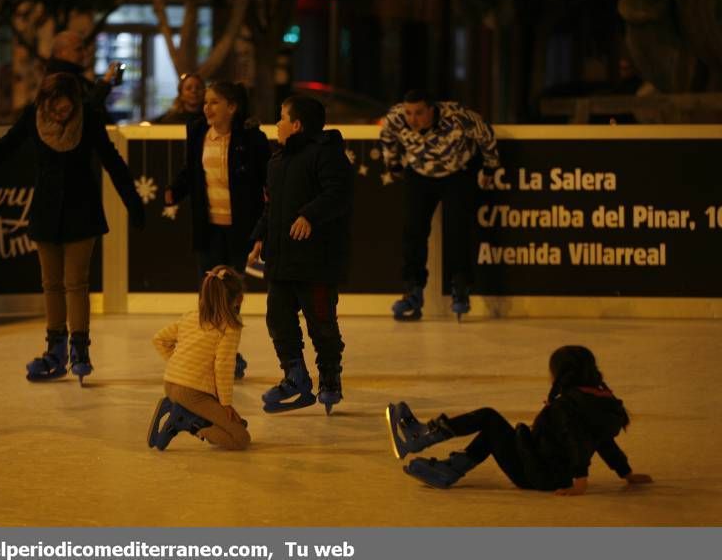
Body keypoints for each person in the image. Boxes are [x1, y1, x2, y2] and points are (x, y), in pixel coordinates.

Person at [0, 73, 145, 385]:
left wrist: (134, 203)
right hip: (46, 212)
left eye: (66, 108)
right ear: (44, 102)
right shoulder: (33, 118)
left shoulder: (90, 119)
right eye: (54, 107)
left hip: (81, 212)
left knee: (76, 282)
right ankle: (55, 349)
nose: (61, 113)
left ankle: (80, 349)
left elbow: (112, 161)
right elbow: (8, 146)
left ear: (75, 101)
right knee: (51, 283)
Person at [386, 346, 654, 493]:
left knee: (489, 418)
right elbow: (602, 439)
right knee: (494, 430)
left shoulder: (567, 406)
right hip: (547, 467)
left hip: (538, 474)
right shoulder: (597, 399)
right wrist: (626, 473)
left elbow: (578, 441)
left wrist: (579, 482)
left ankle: (421, 438)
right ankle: (449, 468)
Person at [247, 96, 354, 415]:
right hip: (282, 259)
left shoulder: (326, 154)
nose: (276, 123)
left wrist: (309, 215)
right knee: (278, 318)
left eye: (281, 117)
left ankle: (330, 377)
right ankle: (294, 375)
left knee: (322, 323)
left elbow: (339, 193)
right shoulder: (277, 161)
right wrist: (259, 237)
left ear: (296, 125)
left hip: (316, 262)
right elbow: (272, 207)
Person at [165, 81, 271, 379]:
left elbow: (268, 180)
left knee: (230, 295)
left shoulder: (252, 138)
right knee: (208, 292)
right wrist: (176, 189)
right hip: (208, 229)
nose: (207, 108)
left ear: (232, 107)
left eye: (214, 102)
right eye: (206, 102)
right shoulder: (198, 132)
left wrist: (264, 227)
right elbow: (191, 171)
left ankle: (228, 351)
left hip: (239, 231)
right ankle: (212, 351)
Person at [380, 89, 499, 321]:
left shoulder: (456, 116)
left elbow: (486, 134)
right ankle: (413, 290)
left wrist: (490, 167)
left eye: (419, 113)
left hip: (457, 173)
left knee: (457, 230)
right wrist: (393, 164)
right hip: (419, 174)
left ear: (431, 110)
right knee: (413, 232)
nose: (413, 119)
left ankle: (461, 286)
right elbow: (387, 138)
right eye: (409, 113)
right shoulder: (396, 117)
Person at [147, 266, 250, 451]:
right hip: (193, 394)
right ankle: (189, 422)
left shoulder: (191, 316)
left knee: (238, 424)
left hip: (170, 384)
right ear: (239, 298)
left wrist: (178, 366)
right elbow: (223, 367)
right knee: (240, 438)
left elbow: (159, 339)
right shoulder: (230, 327)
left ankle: (184, 412)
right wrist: (226, 404)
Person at [45, 30, 120, 124]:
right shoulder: (57, 82)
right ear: (61, 52)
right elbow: (83, 112)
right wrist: (104, 83)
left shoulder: (76, 79)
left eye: (84, 49)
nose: (84, 54)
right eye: (78, 49)